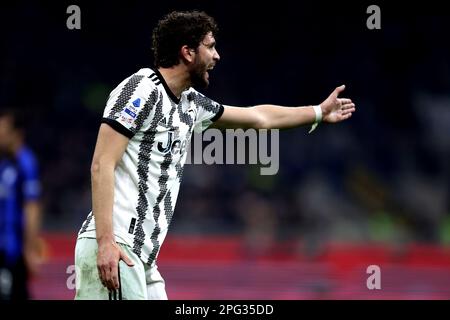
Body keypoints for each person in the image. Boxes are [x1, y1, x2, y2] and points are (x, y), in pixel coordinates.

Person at [75, 10, 356, 300]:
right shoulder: (141, 89)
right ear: (187, 52)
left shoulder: (191, 104)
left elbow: (258, 117)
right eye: (209, 46)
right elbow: (101, 164)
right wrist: (105, 242)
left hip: (143, 258)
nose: (217, 56)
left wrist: (318, 112)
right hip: (116, 245)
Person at [0, 109, 42, 300]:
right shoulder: (5, 162)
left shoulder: (25, 162)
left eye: (3, 130)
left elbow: (32, 207)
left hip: (12, 249)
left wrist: (30, 249)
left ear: (16, 133)